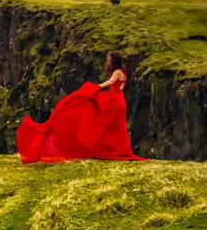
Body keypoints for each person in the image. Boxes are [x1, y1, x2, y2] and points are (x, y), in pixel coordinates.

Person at [16, 51, 146, 164]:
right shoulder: (122, 72)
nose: (108, 62)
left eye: (109, 60)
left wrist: (97, 87)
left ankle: (112, 149)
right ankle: (118, 149)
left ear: (114, 61)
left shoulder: (117, 72)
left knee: (104, 120)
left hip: (114, 100)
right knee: (114, 126)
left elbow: (111, 82)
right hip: (118, 100)